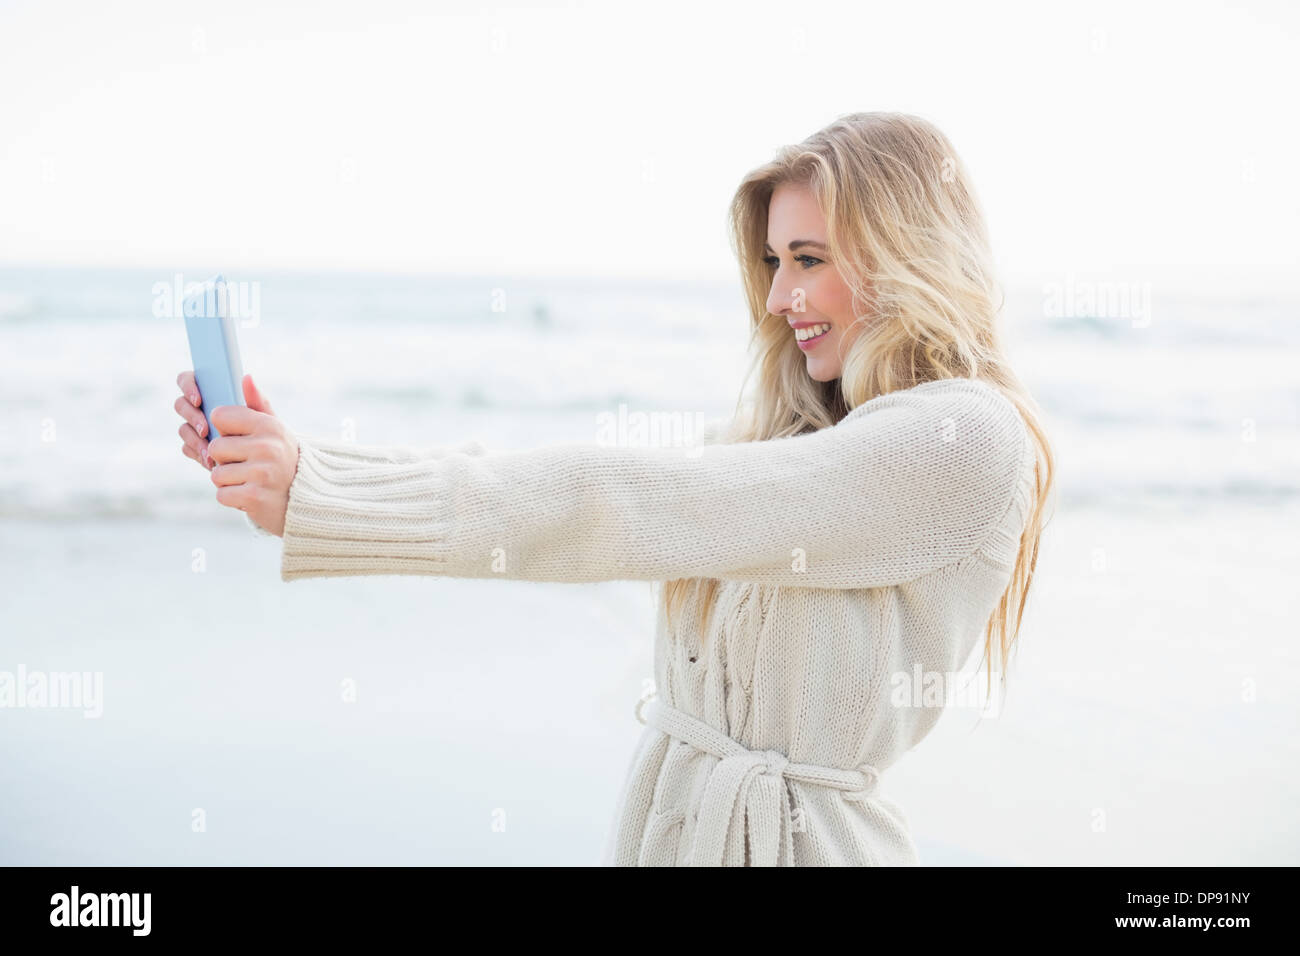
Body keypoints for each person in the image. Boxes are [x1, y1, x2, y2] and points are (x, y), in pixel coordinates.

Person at [172, 111, 1056, 866]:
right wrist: (307, 471)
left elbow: (623, 500)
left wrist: (319, 498)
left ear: (905, 255)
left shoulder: (964, 438)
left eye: (809, 258)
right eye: (773, 260)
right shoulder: (796, 443)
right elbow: (566, 486)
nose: (780, 294)